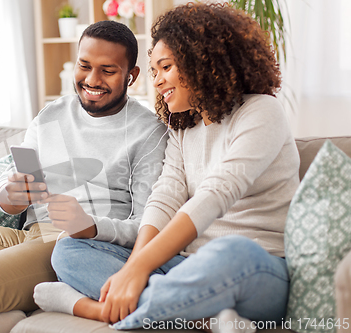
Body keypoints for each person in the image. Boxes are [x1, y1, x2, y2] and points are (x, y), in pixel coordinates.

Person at [33, 3, 301, 333]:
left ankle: (96, 311)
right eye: (154, 70)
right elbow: (164, 200)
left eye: (166, 67)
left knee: (232, 251)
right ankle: (201, 318)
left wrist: (138, 270)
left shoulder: (262, 111)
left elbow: (215, 195)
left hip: (255, 267)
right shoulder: (182, 127)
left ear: (202, 61)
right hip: (183, 267)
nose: (157, 81)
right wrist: (135, 266)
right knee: (69, 250)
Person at [0, 20, 169, 333]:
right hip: (28, 236)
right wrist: (8, 195)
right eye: (84, 65)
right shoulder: (51, 114)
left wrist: (90, 226)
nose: (92, 79)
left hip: (74, 245)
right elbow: (16, 178)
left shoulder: (147, 132)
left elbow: (148, 226)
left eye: (107, 70)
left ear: (131, 76)